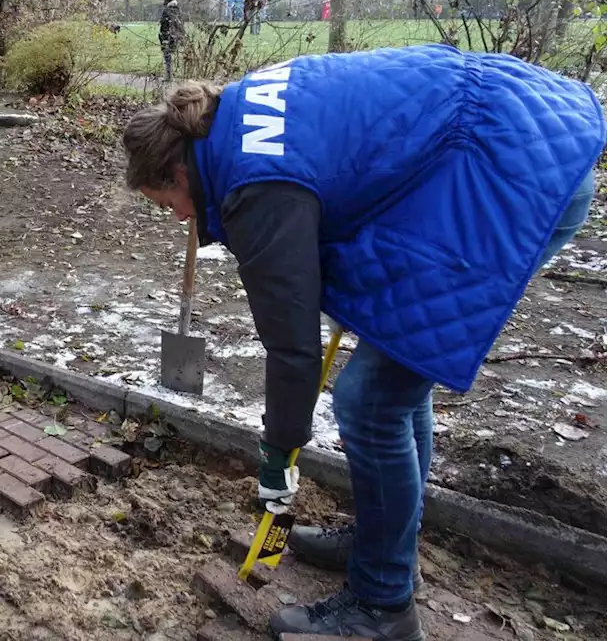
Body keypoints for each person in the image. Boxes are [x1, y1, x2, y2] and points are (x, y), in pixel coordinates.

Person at [121, 44, 603, 640]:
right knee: (393, 385)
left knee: (370, 401)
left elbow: (292, 347)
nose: (176, 219)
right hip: (508, 140)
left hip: (508, 174)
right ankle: (384, 540)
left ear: (176, 172)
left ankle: (383, 605)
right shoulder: (236, 117)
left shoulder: (254, 186)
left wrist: (278, 453)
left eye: (167, 204)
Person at [159, 0, 185, 82]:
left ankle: (168, 76)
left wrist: (163, 37)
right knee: (172, 54)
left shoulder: (166, 11)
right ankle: (174, 75)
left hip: (167, 36)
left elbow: (164, 24)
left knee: (167, 56)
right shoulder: (178, 11)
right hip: (177, 36)